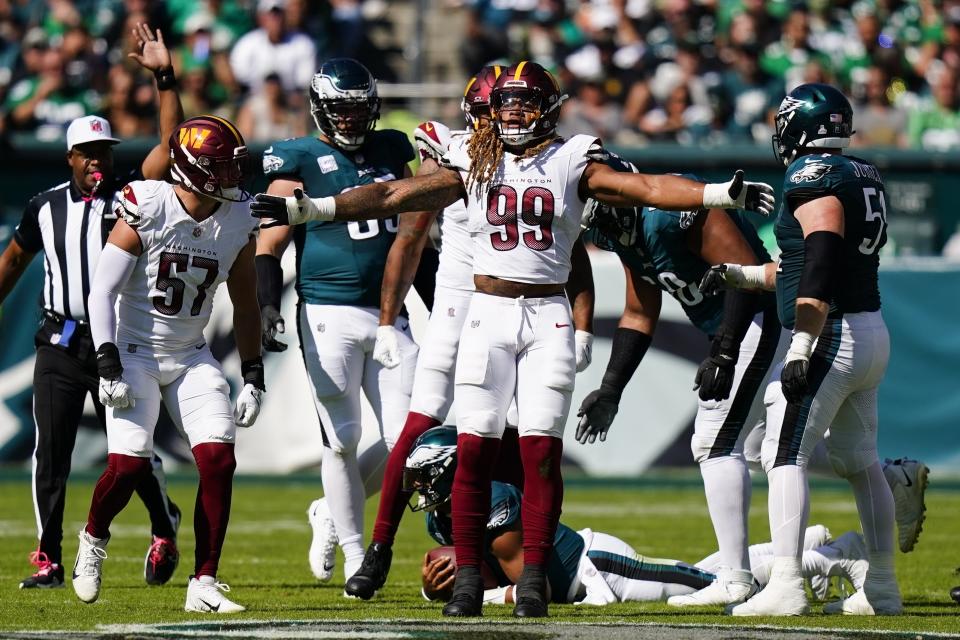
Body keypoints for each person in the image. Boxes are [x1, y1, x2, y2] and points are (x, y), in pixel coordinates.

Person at [252, 60, 775, 618]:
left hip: (545, 313)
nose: (511, 113)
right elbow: (391, 197)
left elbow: (645, 186)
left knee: (542, 453)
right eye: (505, 104)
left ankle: (530, 583)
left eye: (524, 103)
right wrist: (317, 208)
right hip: (486, 312)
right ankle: (468, 581)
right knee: (473, 452)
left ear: (549, 109)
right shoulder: (474, 160)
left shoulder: (572, 158)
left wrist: (716, 194)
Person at [343, 65, 596, 600]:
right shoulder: (459, 154)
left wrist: (582, 322)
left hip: (523, 306)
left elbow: (565, 250)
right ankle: (379, 548)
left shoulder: (536, 159)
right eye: (483, 114)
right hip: (461, 305)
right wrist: (388, 320)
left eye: (497, 112)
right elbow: (408, 235)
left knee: (527, 438)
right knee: (421, 428)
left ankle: (522, 560)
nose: (493, 124)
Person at [707, 83, 902, 616]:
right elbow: (799, 266)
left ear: (797, 124)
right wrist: (741, 275)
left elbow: (819, 255)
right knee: (861, 461)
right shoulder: (862, 170)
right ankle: (882, 586)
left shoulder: (812, 174)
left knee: (782, 454)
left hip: (832, 331)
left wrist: (801, 343)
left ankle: (788, 582)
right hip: (869, 328)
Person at [0, 23, 183, 591]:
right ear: (71, 156)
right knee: (49, 451)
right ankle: (49, 557)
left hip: (119, 341)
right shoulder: (42, 207)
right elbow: (11, 263)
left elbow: (172, 152)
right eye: (89, 153)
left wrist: (164, 79)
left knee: (131, 449)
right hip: (58, 339)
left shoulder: (131, 197)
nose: (98, 161)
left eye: (105, 151)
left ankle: (163, 523)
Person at [71, 114, 264, 613]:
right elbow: (102, 291)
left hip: (191, 354)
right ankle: (93, 538)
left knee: (219, 460)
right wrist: (107, 360)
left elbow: (246, 302)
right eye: (222, 167)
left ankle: (204, 582)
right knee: (129, 465)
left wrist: (253, 372)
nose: (233, 177)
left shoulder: (238, 216)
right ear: (195, 170)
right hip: (134, 349)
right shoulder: (149, 203)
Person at [575, 157, 784, 608]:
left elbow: (744, 274)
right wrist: (612, 388)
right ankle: (889, 478)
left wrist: (725, 351)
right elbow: (638, 311)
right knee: (765, 446)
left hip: (759, 317)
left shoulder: (670, 212)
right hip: (739, 327)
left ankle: (735, 577)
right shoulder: (630, 235)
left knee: (713, 443)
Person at [255, 57, 418, 584]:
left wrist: (440, 304)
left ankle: (329, 508)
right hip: (327, 311)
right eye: (339, 110)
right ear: (320, 109)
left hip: (391, 311)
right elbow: (270, 241)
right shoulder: (296, 156)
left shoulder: (394, 148)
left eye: (356, 110)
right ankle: (353, 550)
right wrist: (264, 304)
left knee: (410, 439)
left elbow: (415, 233)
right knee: (343, 438)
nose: (349, 120)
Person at [408, 426, 870, 607]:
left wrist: (478, 597)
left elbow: (536, 588)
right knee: (711, 575)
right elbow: (488, 577)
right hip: (584, 574)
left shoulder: (492, 502)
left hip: (598, 567)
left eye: (427, 475)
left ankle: (830, 559)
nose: (421, 489)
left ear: (452, 469)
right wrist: (440, 588)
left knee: (714, 585)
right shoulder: (440, 520)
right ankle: (815, 546)